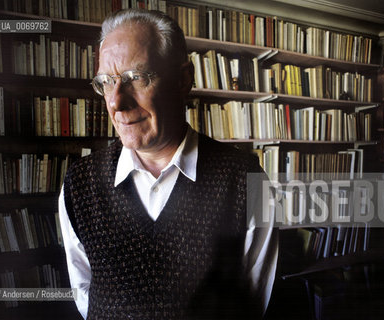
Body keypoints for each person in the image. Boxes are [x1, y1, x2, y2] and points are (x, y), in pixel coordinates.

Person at [58, 8, 278, 320]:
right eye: (106, 81)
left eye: (136, 77)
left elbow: (254, 300)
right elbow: (84, 292)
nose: (116, 102)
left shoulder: (247, 179)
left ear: (183, 80)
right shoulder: (79, 183)